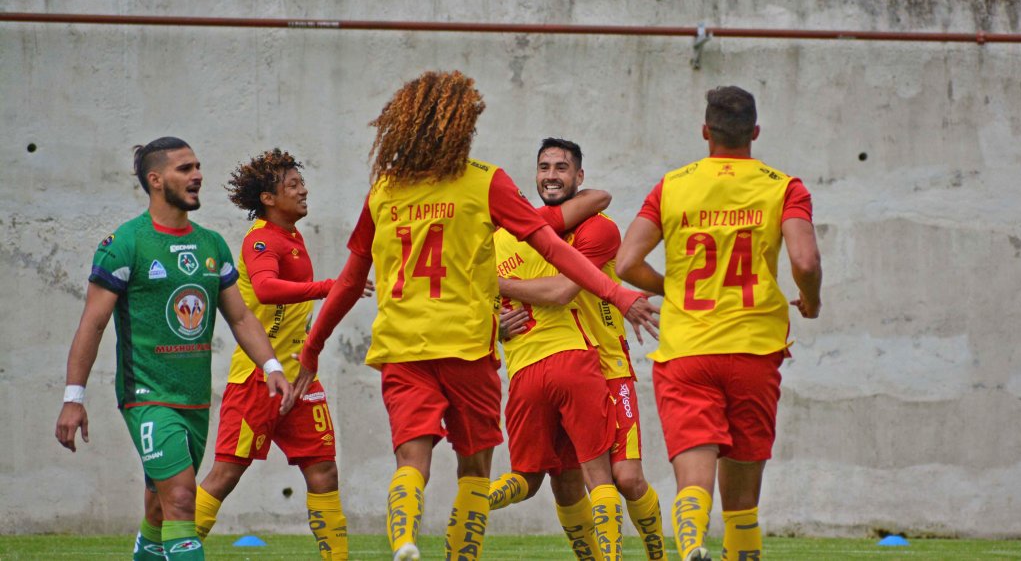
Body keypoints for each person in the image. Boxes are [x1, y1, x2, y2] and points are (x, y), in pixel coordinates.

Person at [291, 71, 658, 561]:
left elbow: (351, 280)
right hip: (470, 346)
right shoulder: (484, 181)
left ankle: (402, 539)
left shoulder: (383, 191)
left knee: (411, 460)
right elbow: (555, 248)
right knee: (480, 469)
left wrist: (311, 348)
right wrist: (617, 293)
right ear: (461, 126)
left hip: (403, 347)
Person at [55, 137, 293, 561]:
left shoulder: (212, 245)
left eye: (198, 166)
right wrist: (74, 397)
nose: (197, 175)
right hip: (146, 397)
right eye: (185, 168)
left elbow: (239, 317)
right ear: (155, 179)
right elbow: (92, 323)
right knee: (183, 500)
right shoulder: (125, 243)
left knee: (159, 507)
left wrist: (271, 365)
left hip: (196, 400)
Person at [615, 86, 822, 561]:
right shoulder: (783, 186)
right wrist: (810, 301)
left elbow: (626, 263)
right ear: (754, 132)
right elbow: (805, 261)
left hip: (688, 350)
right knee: (743, 501)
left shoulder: (672, 185)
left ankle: (690, 544)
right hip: (754, 349)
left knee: (694, 473)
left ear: (706, 132)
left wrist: (678, 288)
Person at [489, 138, 664, 561]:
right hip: (563, 361)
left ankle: (659, 553)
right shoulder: (525, 230)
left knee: (626, 478)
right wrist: (497, 326)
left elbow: (565, 288)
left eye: (562, 168)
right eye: (544, 167)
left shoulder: (597, 227)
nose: (551, 175)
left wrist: (495, 289)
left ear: (578, 176)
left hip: (606, 365)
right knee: (565, 482)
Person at [194, 149, 370, 560]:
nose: (303, 189)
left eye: (301, 182)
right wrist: (331, 285)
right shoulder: (260, 239)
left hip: (300, 380)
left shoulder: (292, 235)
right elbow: (268, 288)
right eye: (292, 185)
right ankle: (174, 551)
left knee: (324, 471)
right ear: (269, 199)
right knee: (224, 476)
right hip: (256, 380)